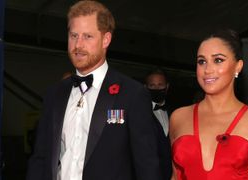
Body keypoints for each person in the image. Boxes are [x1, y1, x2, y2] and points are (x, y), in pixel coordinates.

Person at [26, 1, 161, 180]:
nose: (78, 45)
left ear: (106, 39)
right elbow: (40, 158)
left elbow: (147, 166)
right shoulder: (54, 94)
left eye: (87, 36)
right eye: (73, 35)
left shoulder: (132, 94)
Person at [169, 28, 248, 180]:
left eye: (218, 60)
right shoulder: (179, 117)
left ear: (238, 66)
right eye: (201, 61)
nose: (207, 70)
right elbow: (176, 176)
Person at [144, 68, 172, 180]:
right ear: (145, 88)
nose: (157, 88)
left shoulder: (175, 112)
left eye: (160, 85)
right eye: (152, 85)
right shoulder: (137, 112)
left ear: (167, 87)